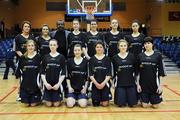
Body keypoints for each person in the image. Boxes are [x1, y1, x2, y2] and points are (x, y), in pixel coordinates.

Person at [136, 37, 166, 109]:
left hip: (154, 85)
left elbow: (161, 73)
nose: (147, 45)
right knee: (144, 105)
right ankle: (143, 98)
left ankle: (155, 98)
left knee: (155, 106)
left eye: (149, 43)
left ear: (152, 44)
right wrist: (138, 85)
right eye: (145, 43)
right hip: (143, 85)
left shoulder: (158, 55)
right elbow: (137, 72)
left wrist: (160, 86)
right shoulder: (140, 56)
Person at [112, 39, 137, 107]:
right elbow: (113, 72)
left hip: (131, 83)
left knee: (132, 104)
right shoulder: (115, 58)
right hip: (120, 84)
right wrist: (113, 83)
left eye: (124, 46)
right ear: (118, 47)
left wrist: (137, 82)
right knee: (120, 104)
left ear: (127, 46)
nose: (123, 47)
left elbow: (136, 70)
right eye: (121, 46)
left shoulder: (132, 56)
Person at [41, 39, 66, 107]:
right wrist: (46, 84)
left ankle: (60, 96)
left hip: (57, 85)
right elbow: (42, 73)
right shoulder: (45, 57)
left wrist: (58, 84)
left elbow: (63, 73)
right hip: (48, 85)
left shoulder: (61, 57)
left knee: (56, 104)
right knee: (49, 105)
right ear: (49, 46)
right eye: (51, 45)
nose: (52, 46)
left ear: (57, 46)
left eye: (54, 45)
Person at [15, 21, 35, 101]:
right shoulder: (18, 37)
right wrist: (24, 57)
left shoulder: (32, 37)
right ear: (22, 27)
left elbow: (34, 49)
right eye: (25, 26)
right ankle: (19, 94)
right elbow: (16, 50)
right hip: (22, 60)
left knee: (29, 77)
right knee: (21, 77)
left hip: (31, 60)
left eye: (28, 27)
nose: (27, 28)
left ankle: (29, 93)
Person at [19, 40, 42, 107]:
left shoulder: (39, 57)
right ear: (26, 47)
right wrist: (19, 86)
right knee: (26, 104)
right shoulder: (23, 57)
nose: (30, 47)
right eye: (29, 46)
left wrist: (40, 84)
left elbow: (41, 71)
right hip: (25, 84)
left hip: (35, 85)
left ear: (34, 47)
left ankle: (38, 97)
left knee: (33, 104)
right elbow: (20, 72)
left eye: (32, 45)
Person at [89, 41, 112, 107]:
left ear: (103, 48)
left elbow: (109, 74)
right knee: (96, 104)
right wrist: (96, 84)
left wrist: (103, 83)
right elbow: (90, 74)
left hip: (104, 83)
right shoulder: (92, 59)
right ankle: (97, 96)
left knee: (105, 104)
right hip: (95, 84)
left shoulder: (107, 59)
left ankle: (107, 93)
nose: (99, 48)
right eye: (97, 47)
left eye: (101, 47)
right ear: (95, 48)